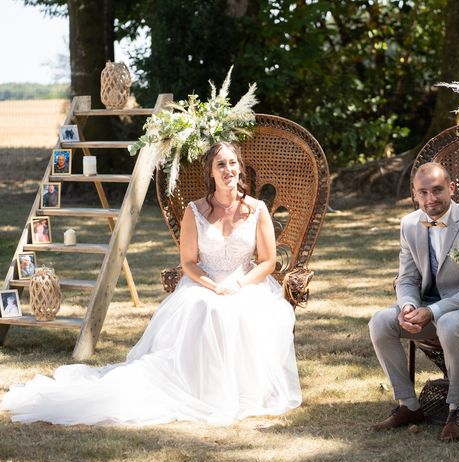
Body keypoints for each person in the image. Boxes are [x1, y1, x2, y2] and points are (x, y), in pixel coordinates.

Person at [2, 141, 302, 426]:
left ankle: (243, 390)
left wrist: (239, 284)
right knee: (207, 307)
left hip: (246, 283)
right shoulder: (195, 211)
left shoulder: (257, 210)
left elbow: (267, 262)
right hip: (203, 283)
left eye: (232, 163)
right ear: (210, 172)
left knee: (241, 311)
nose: (228, 170)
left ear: (240, 167)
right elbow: (188, 263)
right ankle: (200, 389)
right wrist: (211, 285)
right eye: (220, 164)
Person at [369, 162, 459, 442]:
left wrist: (433, 310)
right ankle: (408, 405)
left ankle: (457, 411)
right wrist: (407, 307)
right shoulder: (409, 224)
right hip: (427, 309)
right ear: (415, 194)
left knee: (450, 324)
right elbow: (406, 279)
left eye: (438, 190)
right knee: (380, 321)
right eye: (423, 192)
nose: (431, 199)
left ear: (452, 188)